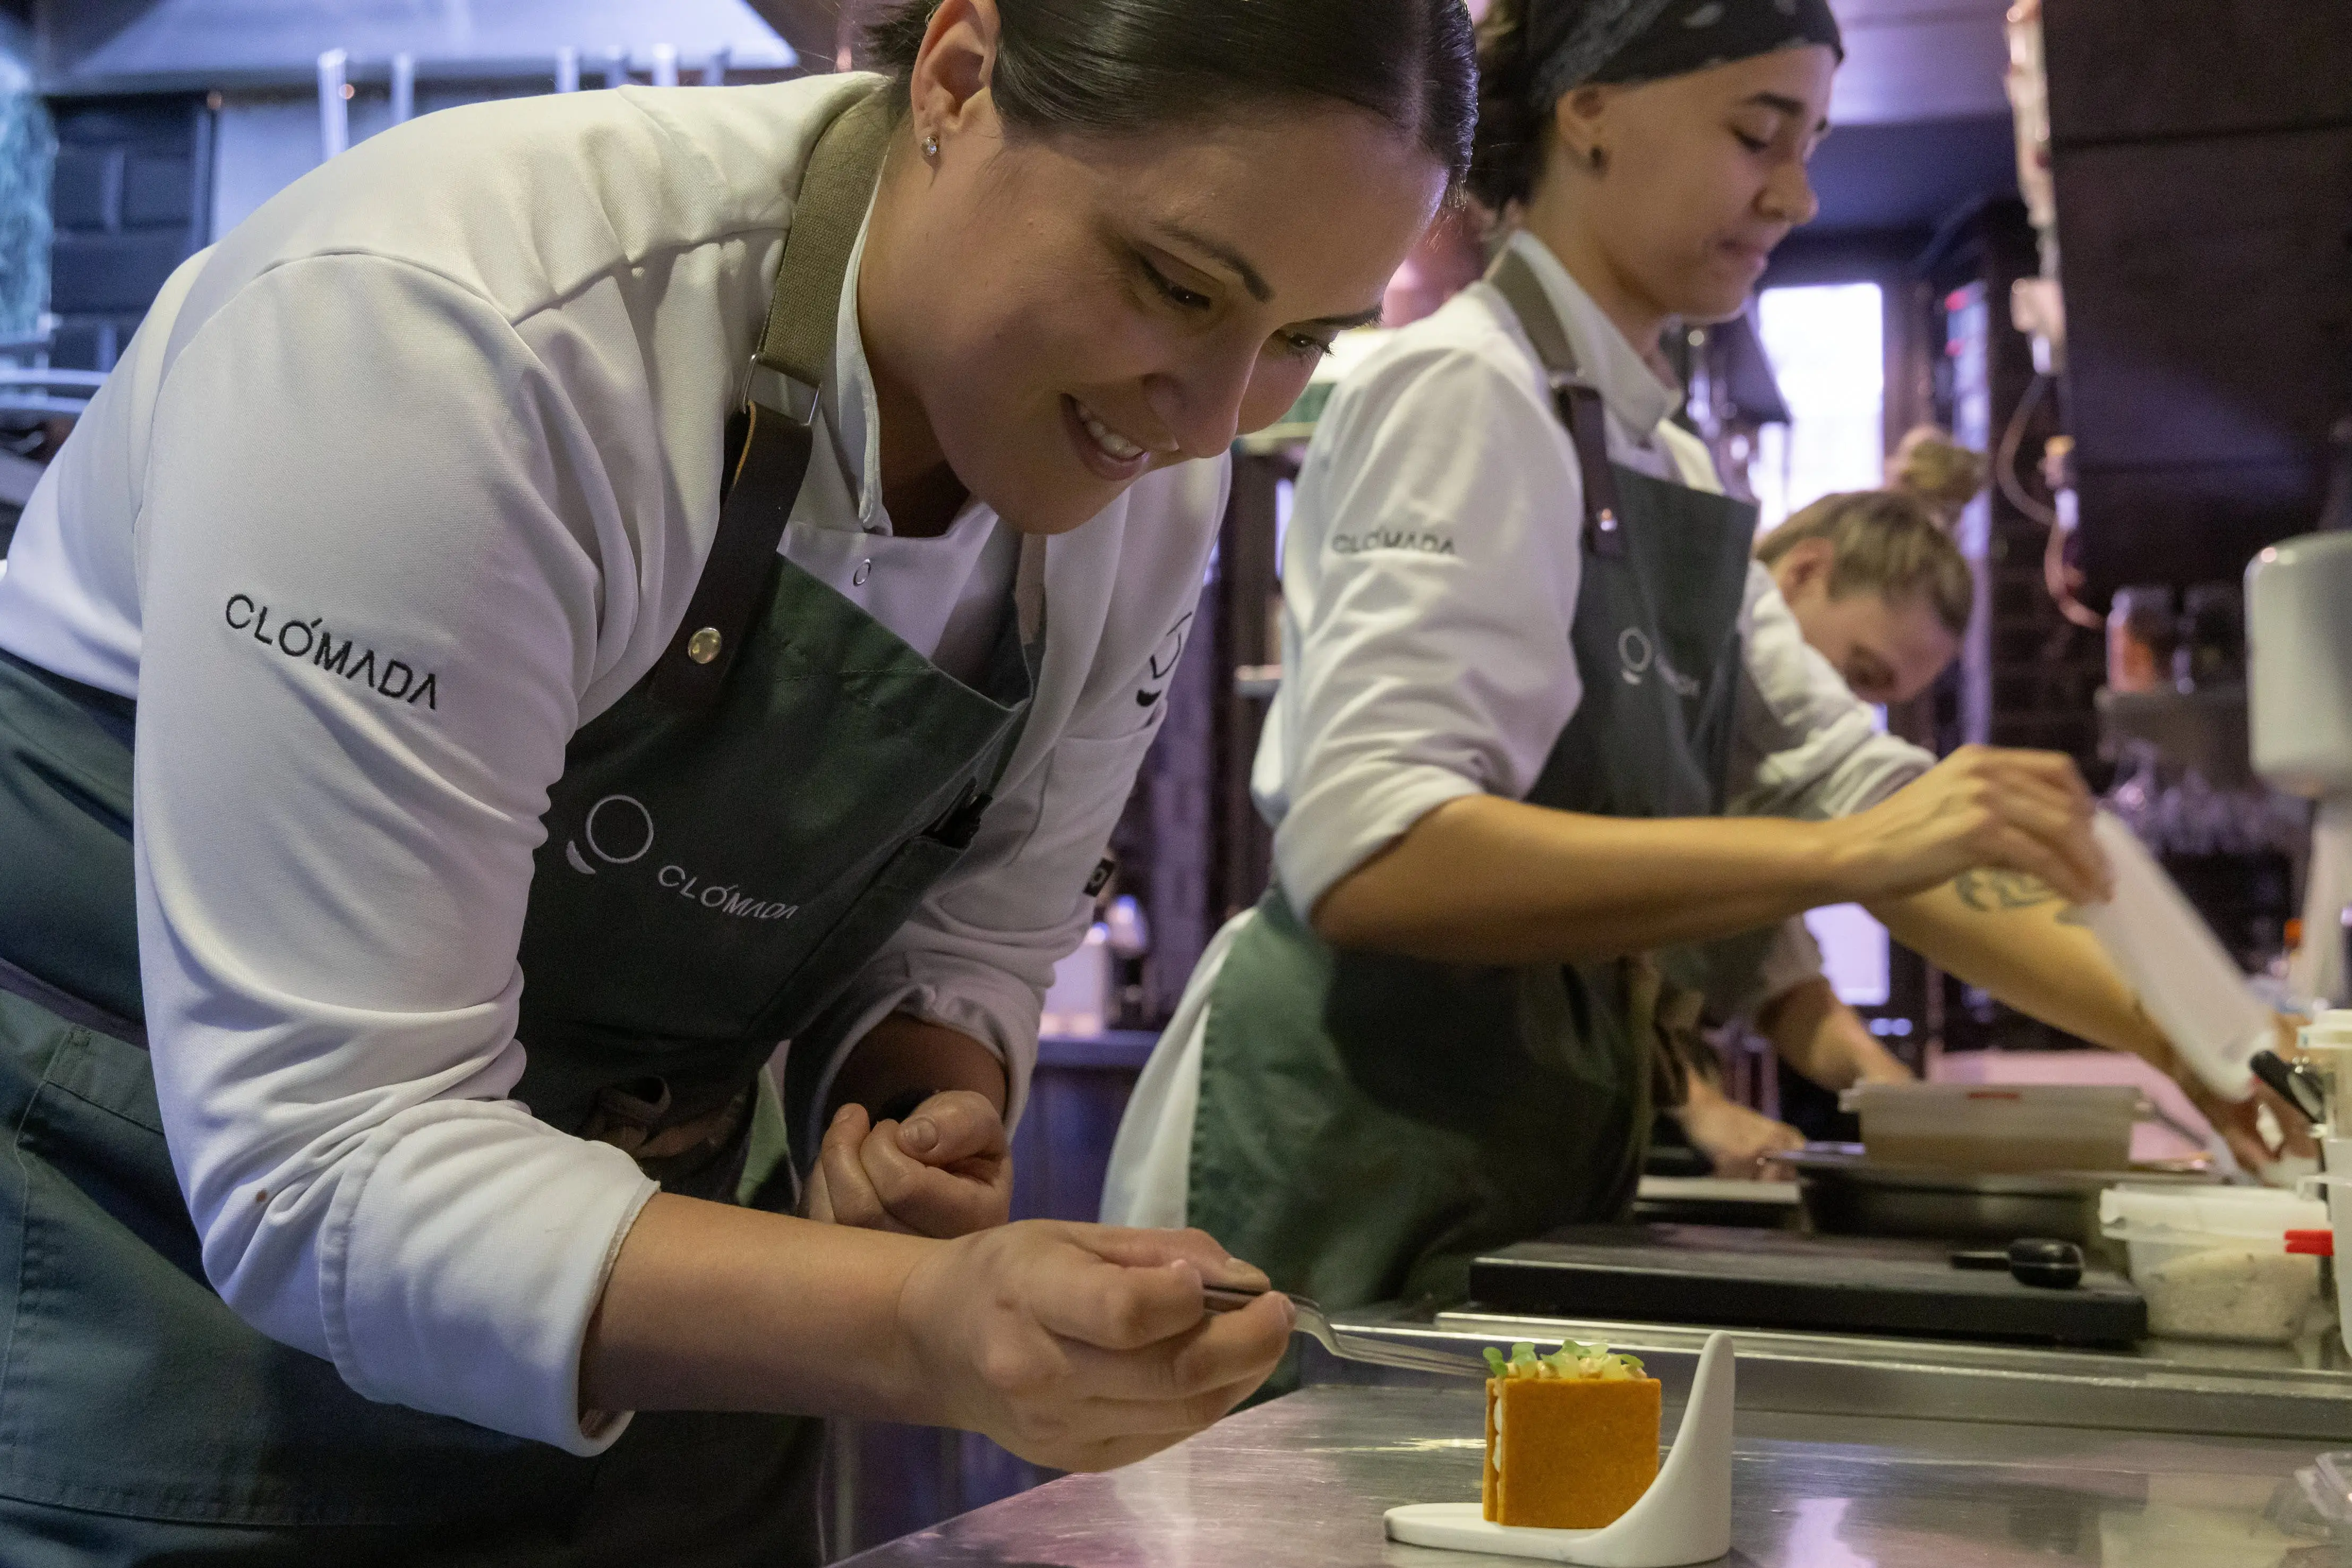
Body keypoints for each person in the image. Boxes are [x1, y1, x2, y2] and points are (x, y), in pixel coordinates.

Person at [0, 0, 1475, 1560]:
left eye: (1306, 337)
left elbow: (978, 932)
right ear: (958, 80)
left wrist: (919, 1103)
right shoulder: (456, 328)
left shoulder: (1141, 456)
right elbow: (326, 1165)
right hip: (171, 1341)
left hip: (679, 1384)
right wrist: (918, 1322)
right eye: (1173, 284)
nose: (1211, 421)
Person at [1101, 0, 2300, 1338]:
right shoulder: (1461, 391)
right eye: (1757, 134)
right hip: (1333, 1166)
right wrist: (1852, 859)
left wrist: (2206, 1040)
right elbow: (1376, 857)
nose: (1794, 192)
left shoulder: (1665, 460)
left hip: (1500, 1166)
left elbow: (1858, 791)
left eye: (1811, 144)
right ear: (1593, 110)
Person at [1671, 486, 1977, 1171]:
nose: (1851, 709)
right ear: (1802, 572)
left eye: (1877, 700)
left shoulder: (1753, 775)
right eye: (1858, 673)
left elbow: (1785, 990)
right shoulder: (1664, 693)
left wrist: (1903, 1102)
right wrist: (1695, 1103)